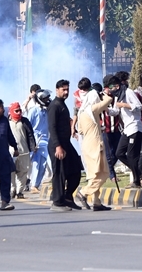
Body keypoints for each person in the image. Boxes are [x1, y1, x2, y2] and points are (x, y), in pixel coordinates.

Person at [75, 78, 115, 211]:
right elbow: (108, 100)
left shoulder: (81, 112)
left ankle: (97, 203)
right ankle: (83, 193)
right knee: (104, 173)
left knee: (94, 175)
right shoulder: (92, 109)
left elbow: (80, 130)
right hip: (95, 145)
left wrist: (96, 126)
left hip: (86, 144)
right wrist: (103, 94)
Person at [48, 80, 82, 213]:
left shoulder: (62, 104)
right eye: (63, 90)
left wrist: (72, 127)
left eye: (67, 89)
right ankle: (57, 202)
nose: (66, 92)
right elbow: (52, 127)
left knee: (76, 169)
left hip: (66, 143)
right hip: (57, 145)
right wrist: (57, 146)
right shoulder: (54, 106)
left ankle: (68, 197)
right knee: (59, 173)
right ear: (57, 90)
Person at [113, 73, 142, 188]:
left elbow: (139, 106)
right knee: (119, 153)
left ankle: (136, 181)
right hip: (127, 130)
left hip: (135, 127)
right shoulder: (117, 96)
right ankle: (138, 171)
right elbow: (115, 111)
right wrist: (105, 108)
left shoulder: (128, 92)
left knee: (132, 155)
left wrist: (124, 105)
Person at [7, 102, 35, 199]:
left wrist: (33, 146)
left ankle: (19, 191)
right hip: (11, 152)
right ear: (11, 111)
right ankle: (12, 189)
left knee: (23, 171)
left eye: (20, 110)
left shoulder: (24, 121)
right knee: (11, 171)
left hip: (24, 151)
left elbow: (30, 134)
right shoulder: (6, 122)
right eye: (16, 111)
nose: (19, 112)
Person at [26, 90, 51, 191]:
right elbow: (27, 126)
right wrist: (31, 143)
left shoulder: (46, 111)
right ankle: (58, 179)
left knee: (42, 164)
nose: (47, 100)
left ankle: (35, 185)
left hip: (46, 139)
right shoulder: (33, 111)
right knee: (48, 159)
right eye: (45, 99)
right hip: (37, 140)